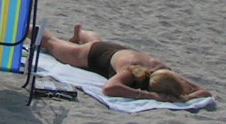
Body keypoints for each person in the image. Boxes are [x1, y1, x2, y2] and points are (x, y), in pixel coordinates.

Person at [41, 24, 210, 102]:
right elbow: (109, 88)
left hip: (115, 51)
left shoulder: (165, 72)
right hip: (93, 55)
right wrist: (151, 96)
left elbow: (204, 91)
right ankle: (27, 28)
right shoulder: (132, 72)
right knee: (51, 43)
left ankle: (82, 33)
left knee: (97, 42)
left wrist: (185, 97)